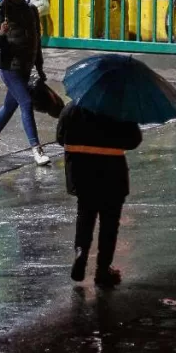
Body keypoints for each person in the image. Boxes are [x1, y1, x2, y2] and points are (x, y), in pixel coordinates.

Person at [55, 103, 143, 287]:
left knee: (85, 216)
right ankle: (103, 270)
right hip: (112, 175)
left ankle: (81, 251)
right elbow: (133, 141)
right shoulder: (119, 110)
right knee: (109, 223)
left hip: (82, 174)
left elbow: (60, 138)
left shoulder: (72, 109)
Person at [0, 0, 50, 166]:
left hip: (26, 66)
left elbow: (37, 40)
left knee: (10, 105)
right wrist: (0, 34)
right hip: (8, 66)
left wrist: (39, 67)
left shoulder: (31, 11)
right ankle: (36, 148)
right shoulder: (0, 13)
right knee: (25, 103)